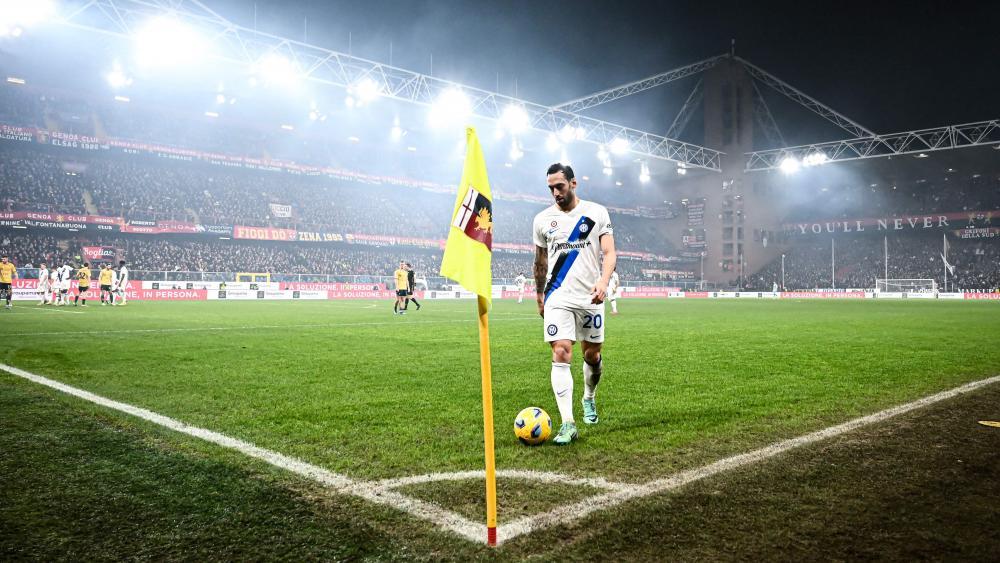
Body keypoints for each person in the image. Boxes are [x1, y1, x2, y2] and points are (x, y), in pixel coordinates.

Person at [532, 163, 616, 445]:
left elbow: (609, 252)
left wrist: (604, 282)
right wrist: (540, 294)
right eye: (551, 188)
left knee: (591, 355)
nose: (555, 192)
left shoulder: (596, 213)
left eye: (560, 186)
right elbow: (540, 262)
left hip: (591, 296)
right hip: (559, 296)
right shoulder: (542, 220)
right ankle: (568, 423)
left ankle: (589, 397)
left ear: (573, 183)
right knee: (561, 352)